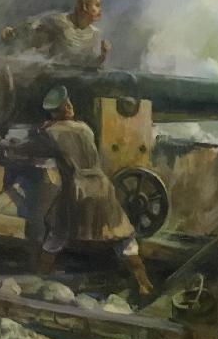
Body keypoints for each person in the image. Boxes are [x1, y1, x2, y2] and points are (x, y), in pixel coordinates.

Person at [34, 85, 152, 296]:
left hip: (77, 189)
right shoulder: (85, 128)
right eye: (67, 104)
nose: (70, 106)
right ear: (66, 108)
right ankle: (144, 284)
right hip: (101, 186)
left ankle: (39, 279)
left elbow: (39, 142)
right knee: (123, 238)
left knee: (56, 235)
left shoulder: (50, 132)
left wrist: (45, 127)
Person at [2, 0, 112, 67]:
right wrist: (13, 33)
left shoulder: (95, 34)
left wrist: (103, 56)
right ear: (83, 6)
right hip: (53, 77)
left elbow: (89, 65)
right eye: (97, 5)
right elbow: (33, 26)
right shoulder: (60, 22)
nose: (100, 10)